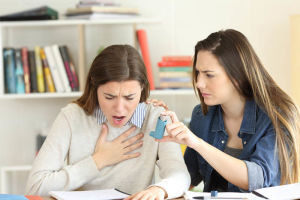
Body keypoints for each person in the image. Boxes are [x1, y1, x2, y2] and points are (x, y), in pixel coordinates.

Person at [25, 44, 190, 199]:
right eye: (109, 97)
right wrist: (98, 161)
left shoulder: (157, 119)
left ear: (142, 88)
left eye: (129, 97)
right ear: (94, 87)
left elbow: (180, 175)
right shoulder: (72, 116)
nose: (119, 108)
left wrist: (160, 189)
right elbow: (35, 186)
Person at [156, 29, 300, 192]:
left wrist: (197, 143)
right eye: (197, 73)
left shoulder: (277, 116)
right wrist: (161, 189)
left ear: (238, 76)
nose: (199, 83)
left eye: (209, 75)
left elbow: (259, 179)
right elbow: (188, 177)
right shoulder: (202, 115)